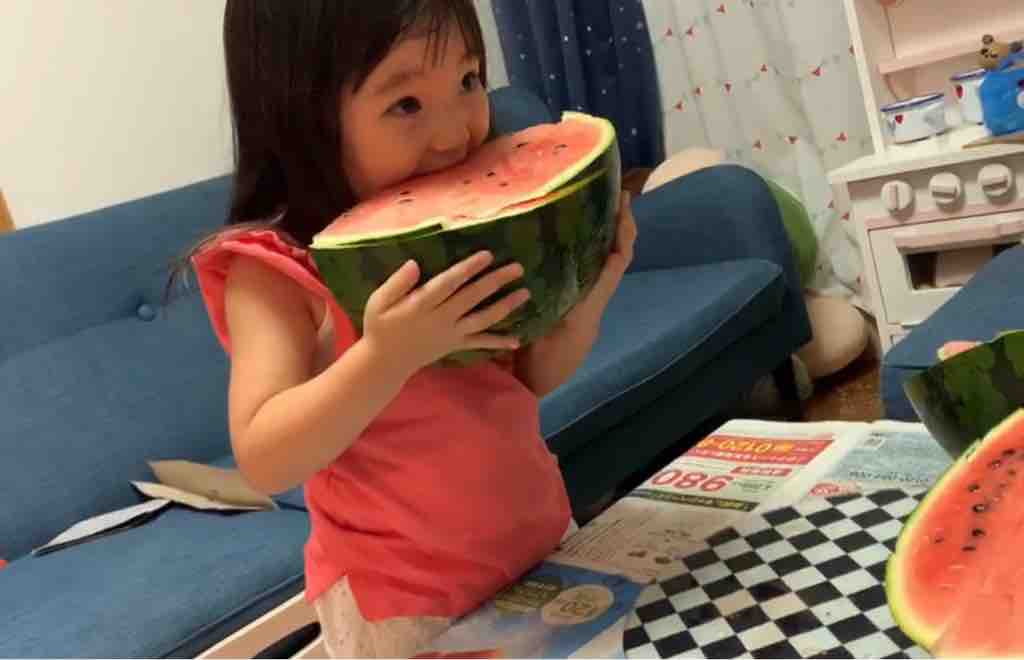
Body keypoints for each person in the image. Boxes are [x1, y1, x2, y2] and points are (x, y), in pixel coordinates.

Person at [175, 1, 636, 657]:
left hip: (536, 550)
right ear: (304, 113)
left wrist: (595, 286)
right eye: (407, 104)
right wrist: (387, 355)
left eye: (468, 80)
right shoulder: (275, 273)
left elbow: (530, 377)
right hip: (402, 609)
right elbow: (265, 456)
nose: (454, 134)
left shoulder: (465, 236)